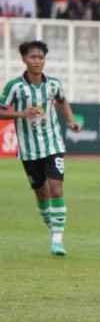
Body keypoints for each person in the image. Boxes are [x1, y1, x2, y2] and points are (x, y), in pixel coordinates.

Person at [0, 39, 82, 256]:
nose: (37, 61)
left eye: (41, 57)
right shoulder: (14, 86)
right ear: (24, 59)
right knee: (41, 194)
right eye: (33, 57)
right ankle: (52, 227)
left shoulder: (53, 83)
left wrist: (71, 120)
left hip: (53, 144)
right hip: (29, 149)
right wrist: (19, 114)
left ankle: (57, 239)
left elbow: (62, 100)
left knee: (56, 189)